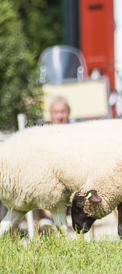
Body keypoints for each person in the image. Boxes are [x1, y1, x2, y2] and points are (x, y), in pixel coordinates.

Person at [35, 95, 72, 234]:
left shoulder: (78, 132)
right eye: (56, 112)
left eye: (63, 111)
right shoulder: (44, 134)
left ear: (69, 112)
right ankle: (50, 219)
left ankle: (52, 221)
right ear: (50, 114)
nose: (60, 116)